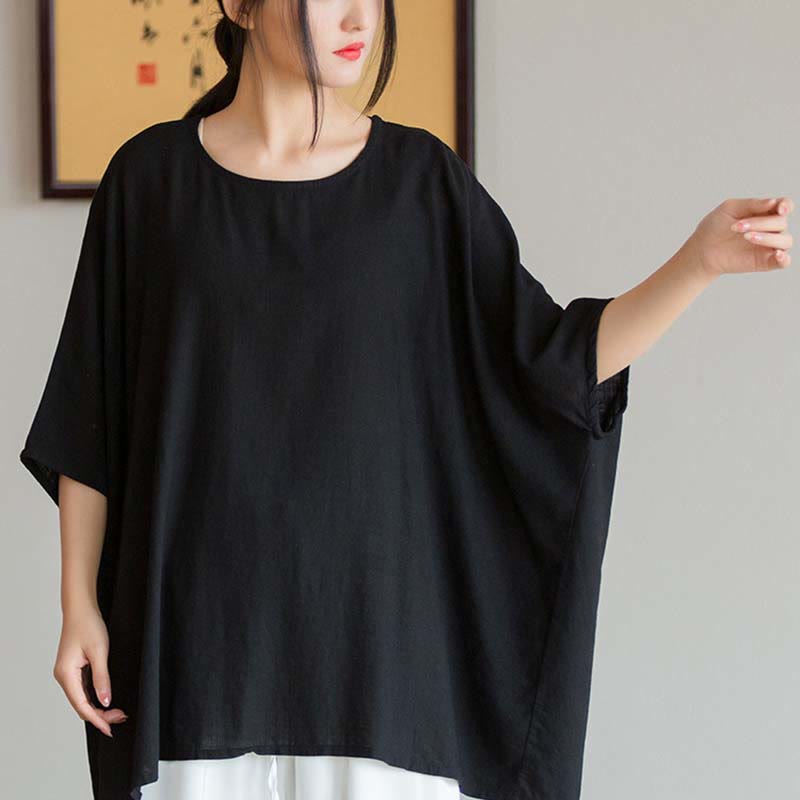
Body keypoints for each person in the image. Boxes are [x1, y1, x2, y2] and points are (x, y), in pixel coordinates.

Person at [19, 1, 793, 799]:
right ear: (239, 6)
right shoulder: (149, 183)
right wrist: (79, 606)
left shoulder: (422, 186)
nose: (361, 15)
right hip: (195, 656)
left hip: (380, 667)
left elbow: (556, 365)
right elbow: (92, 410)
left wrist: (697, 263)